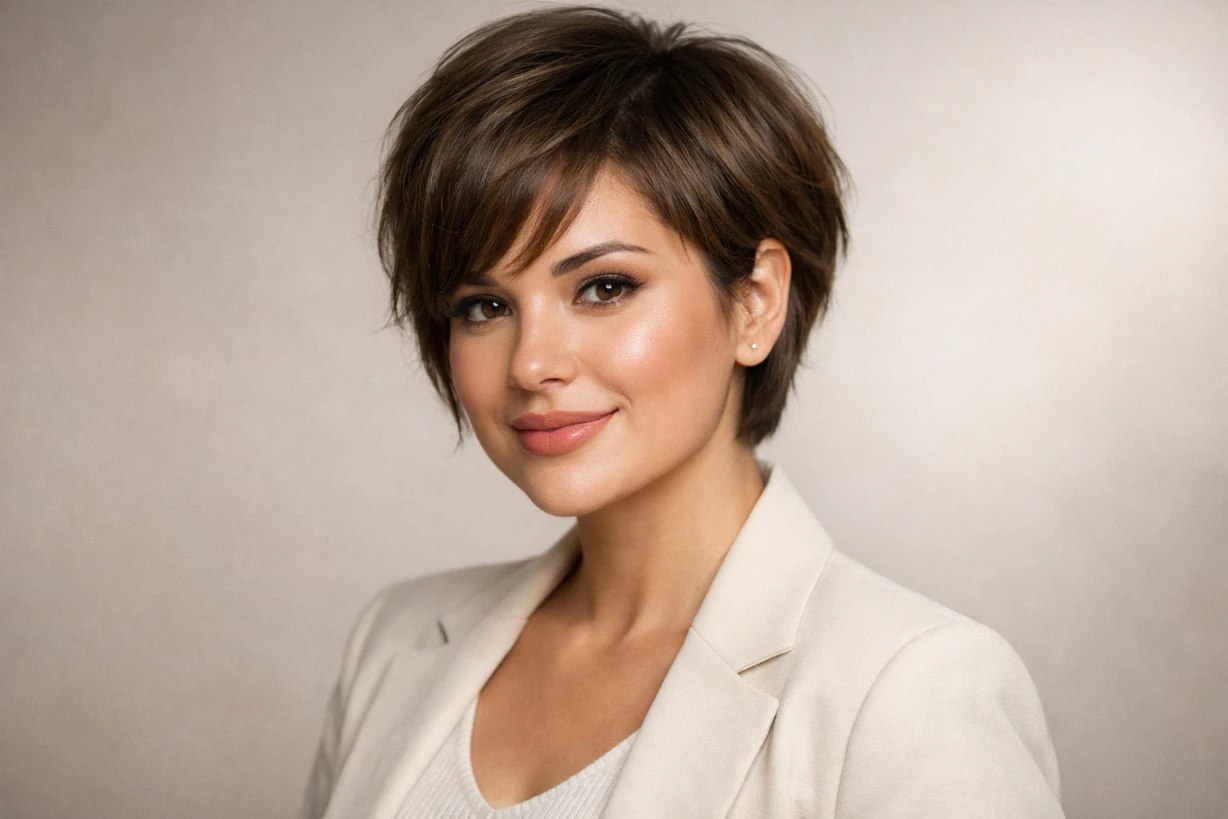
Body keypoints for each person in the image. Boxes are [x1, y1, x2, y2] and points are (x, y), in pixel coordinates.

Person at [300, 5, 1064, 818]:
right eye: (483, 305)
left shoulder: (909, 692)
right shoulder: (396, 640)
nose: (530, 363)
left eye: (603, 287)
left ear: (756, 302)